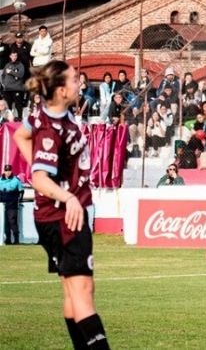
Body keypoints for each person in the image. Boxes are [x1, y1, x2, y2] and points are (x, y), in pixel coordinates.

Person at [12, 60, 110, 349]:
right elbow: (40, 178)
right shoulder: (53, 129)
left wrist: (58, 183)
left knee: (72, 291)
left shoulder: (46, 114)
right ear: (61, 89)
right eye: (74, 79)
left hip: (54, 216)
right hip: (65, 218)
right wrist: (66, 196)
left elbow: (20, 134)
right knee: (83, 292)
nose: (80, 82)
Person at [0, 164, 23, 245]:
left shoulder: (16, 180)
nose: (7, 172)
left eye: (9, 170)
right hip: (3, 205)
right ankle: (8, 240)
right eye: (6, 170)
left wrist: (19, 201)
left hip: (12, 204)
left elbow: (21, 191)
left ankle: (16, 239)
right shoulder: (0, 180)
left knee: (12, 221)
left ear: (11, 171)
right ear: (4, 171)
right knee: (5, 223)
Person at [2, 50, 27, 118]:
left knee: (18, 105)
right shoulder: (7, 65)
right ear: (10, 56)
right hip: (7, 89)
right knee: (8, 105)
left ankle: (20, 118)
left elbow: (21, 75)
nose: (14, 57)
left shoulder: (20, 65)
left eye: (15, 56)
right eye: (12, 56)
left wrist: (11, 72)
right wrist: (4, 83)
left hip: (17, 88)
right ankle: (8, 119)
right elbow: (3, 75)